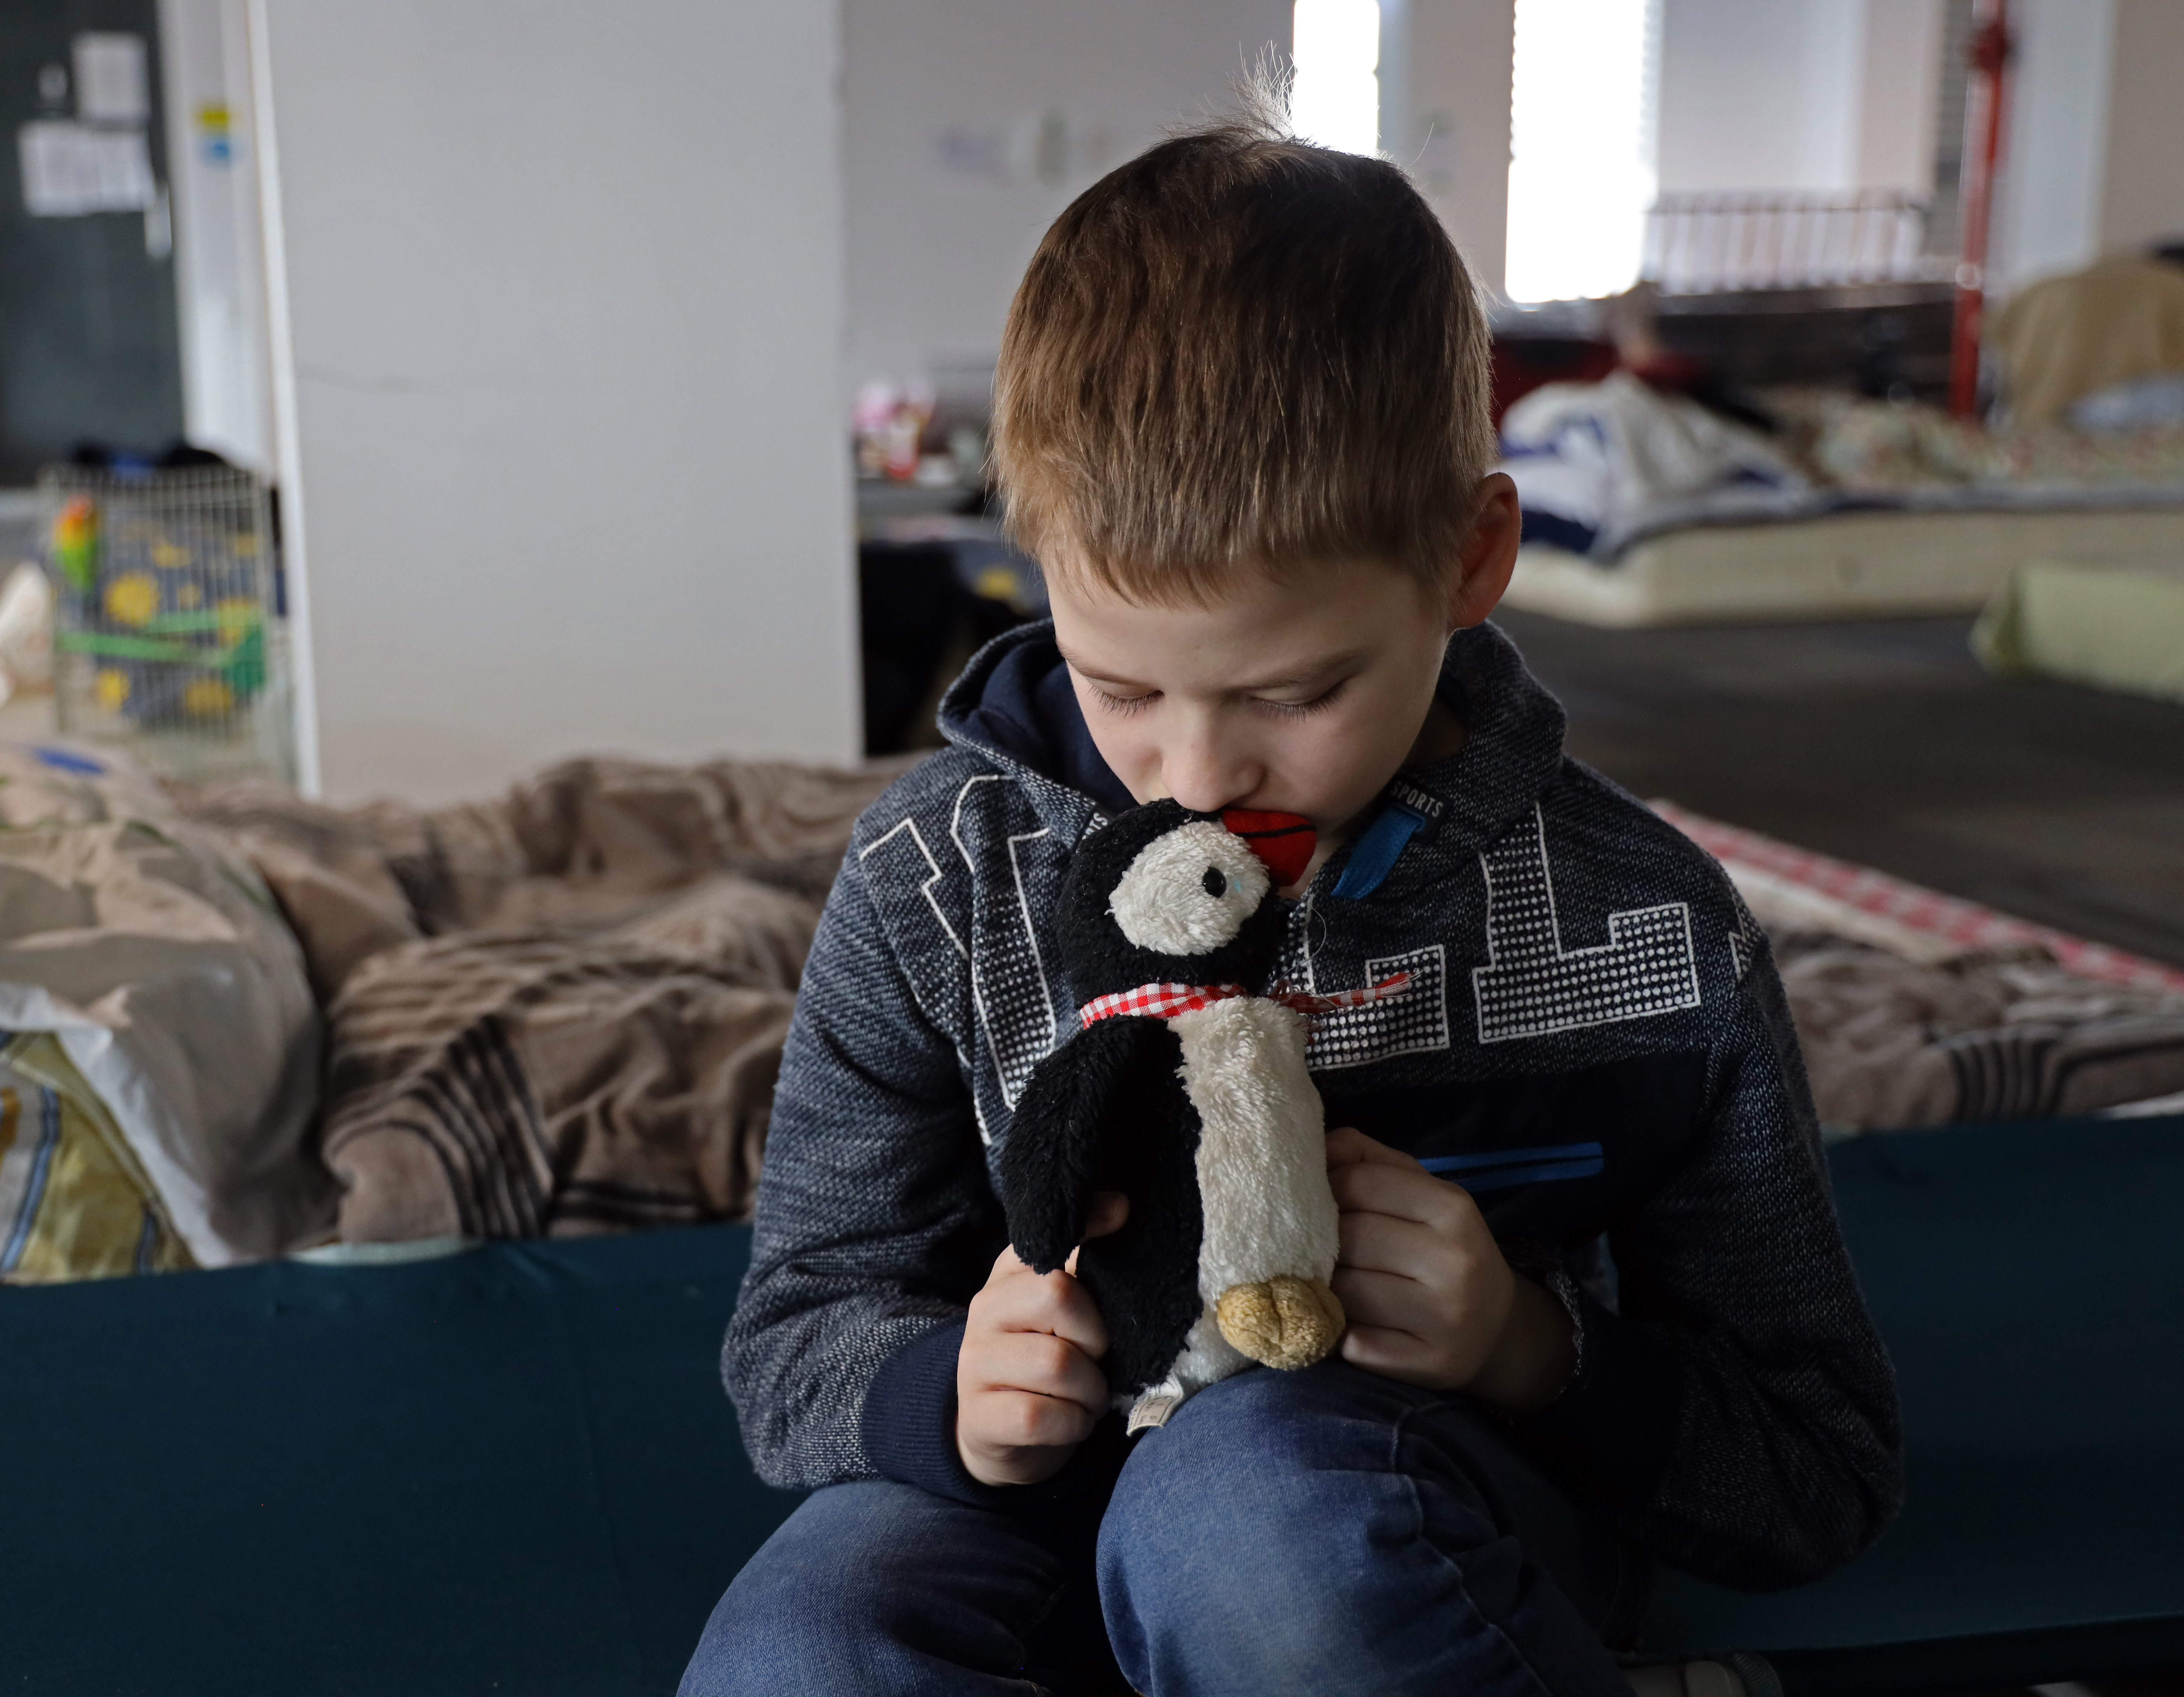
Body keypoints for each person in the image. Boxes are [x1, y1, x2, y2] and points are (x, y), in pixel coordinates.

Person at [683, 102, 1901, 1697]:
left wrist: (1529, 1347)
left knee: (1253, 1528)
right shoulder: (936, 878)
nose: (1194, 777)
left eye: (1299, 688)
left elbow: (1812, 1469)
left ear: (1471, 560)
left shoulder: (1648, 924)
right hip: (1022, 1512)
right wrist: (943, 1393)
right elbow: (795, 1335)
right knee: (807, 1647)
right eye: (1117, 686)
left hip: (1398, 1514)